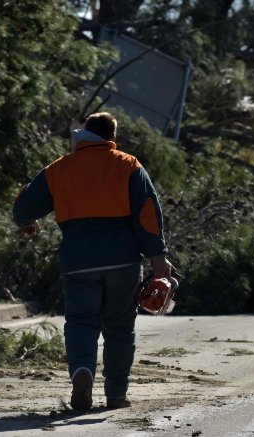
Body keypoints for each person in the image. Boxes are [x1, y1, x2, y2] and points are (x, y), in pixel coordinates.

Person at [12, 112, 171, 412]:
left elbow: (22, 210)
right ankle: (115, 395)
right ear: (112, 137)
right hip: (123, 262)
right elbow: (148, 213)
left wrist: (29, 222)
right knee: (120, 328)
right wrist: (158, 257)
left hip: (78, 262)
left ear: (85, 133)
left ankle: (82, 372)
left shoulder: (60, 168)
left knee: (81, 322)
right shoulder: (128, 165)